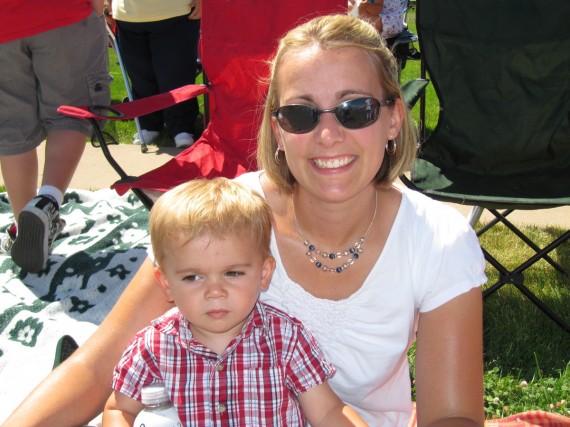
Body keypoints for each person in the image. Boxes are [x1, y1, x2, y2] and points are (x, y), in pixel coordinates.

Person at [1, 14, 486, 427]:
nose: (328, 135)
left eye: (354, 109)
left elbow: (452, 417)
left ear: (394, 118)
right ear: (277, 131)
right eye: (301, 115)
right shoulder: (220, 218)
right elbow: (97, 369)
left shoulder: (436, 240)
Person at [102, 178, 367, 426]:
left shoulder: (284, 339)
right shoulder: (152, 348)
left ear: (264, 273)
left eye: (233, 273)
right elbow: (119, 409)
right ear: (166, 283)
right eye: (193, 277)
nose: (215, 291)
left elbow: (327, 411)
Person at [0, 0, 110, 273]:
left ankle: (25, 225)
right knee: (71, 113)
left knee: (12, 128)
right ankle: (46, 202)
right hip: (63, 12)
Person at [102, 0, 201, 148]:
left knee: (176, 74)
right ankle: (148, 125)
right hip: (127, 15)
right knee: (140, 75)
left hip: (176, 12)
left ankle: (181, 127)